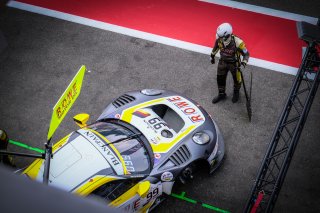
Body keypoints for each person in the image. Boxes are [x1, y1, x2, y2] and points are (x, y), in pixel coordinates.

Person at [211, 23, 249, 103]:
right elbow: (215, 48)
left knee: (237, 80)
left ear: (227, 35)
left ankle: (236, 92)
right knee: (220, 78)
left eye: (220, 36)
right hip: (223, 61)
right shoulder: (219, 39)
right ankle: (221, 94)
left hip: (234, 64)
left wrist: (243, 63)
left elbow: (246, 54)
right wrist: (212, 56)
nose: (218, 38)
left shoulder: (238, 42)